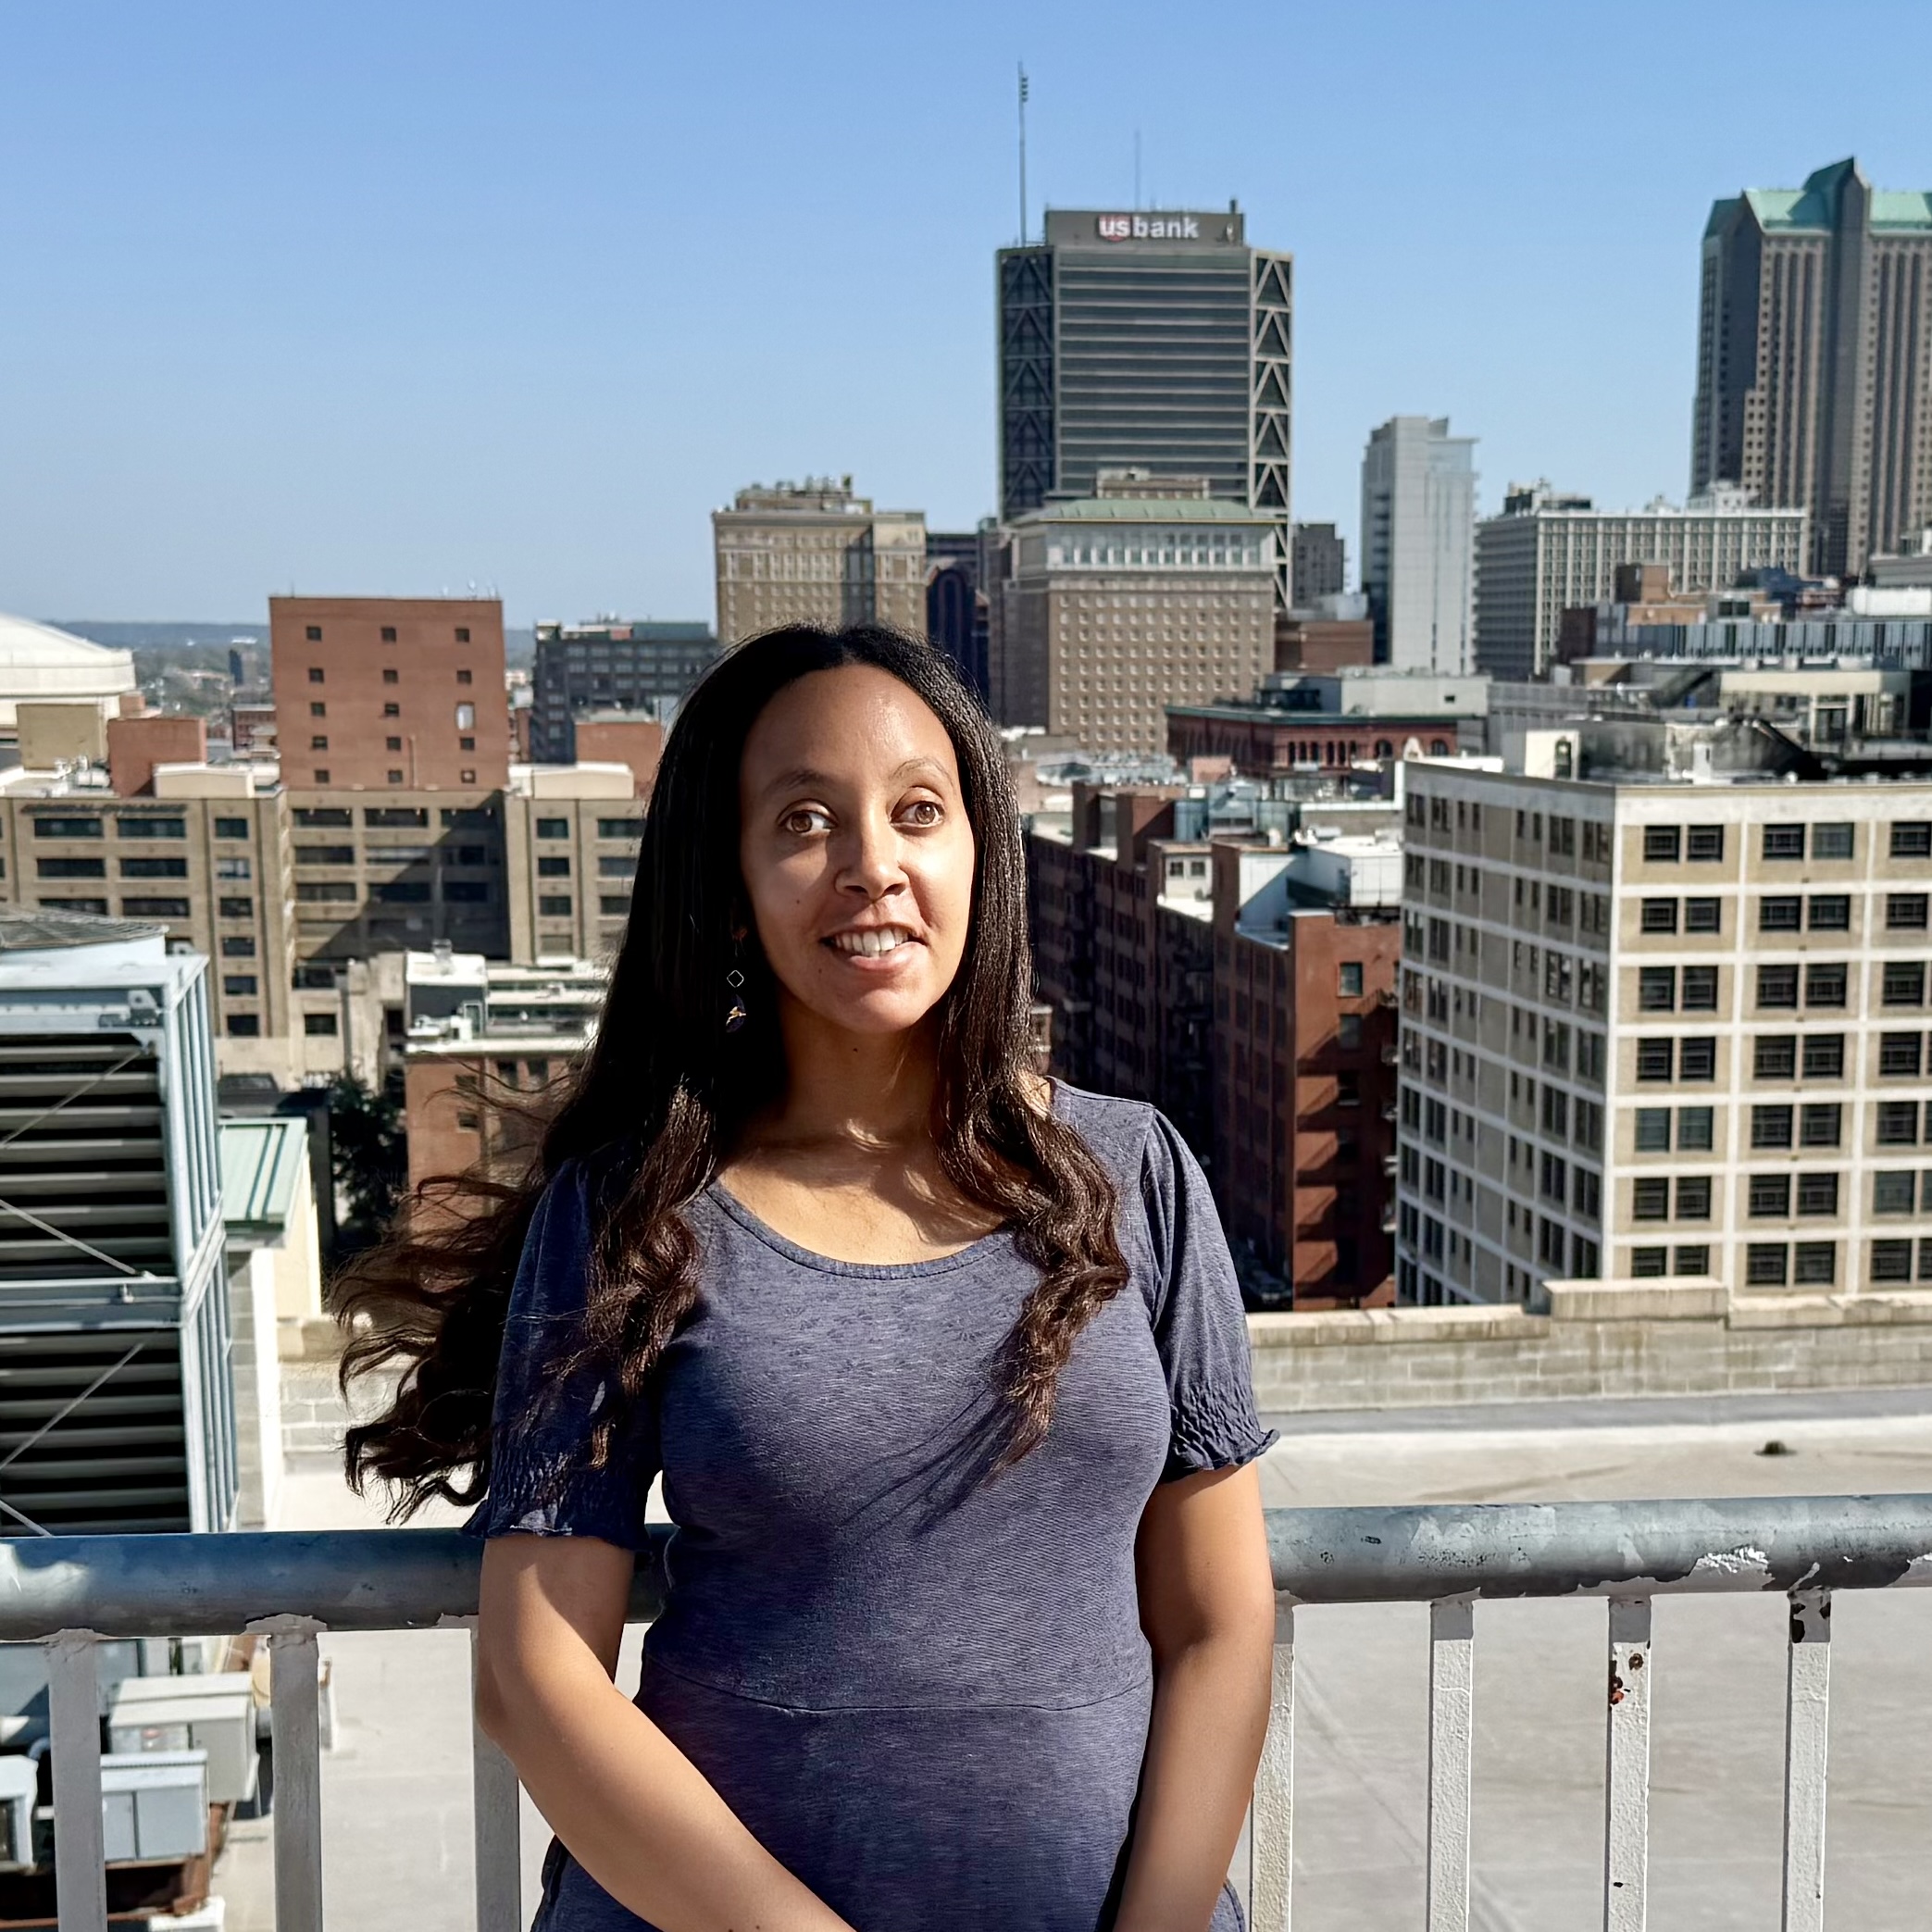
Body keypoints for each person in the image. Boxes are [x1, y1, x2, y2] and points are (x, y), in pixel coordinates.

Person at [339, 625, 1278, 1932]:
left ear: (979, 853)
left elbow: (1221, 1623)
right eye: (803, 822)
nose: (872, 868)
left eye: (916, 813)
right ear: (729, 881)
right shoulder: (631, 1213)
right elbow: (535, 1670)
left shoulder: (1137, 1175)